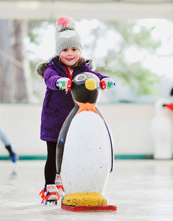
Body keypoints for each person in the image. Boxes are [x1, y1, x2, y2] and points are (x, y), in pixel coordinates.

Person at [36, 16, 115, 205]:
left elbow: (95, 76)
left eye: (74, 49)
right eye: (65, 49)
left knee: (70, 154)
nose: (69, 54)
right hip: (54, 120)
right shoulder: (52, 68)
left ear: (80, 51)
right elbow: (50, 79)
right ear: (58, 51)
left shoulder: (84, 68)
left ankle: (65, 180)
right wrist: (58, 81)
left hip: (73, 121)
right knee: (53, 155)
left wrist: (103, 79)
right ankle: (50, 188)